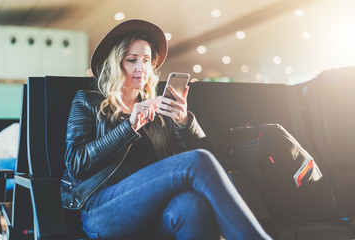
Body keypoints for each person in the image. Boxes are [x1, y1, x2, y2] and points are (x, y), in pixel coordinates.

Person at [60, 19, 272, 240]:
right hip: (102, 208)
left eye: (146, 60)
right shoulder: (87, 101)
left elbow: (203, 158)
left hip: (153, 205)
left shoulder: (157, 109)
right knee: (197, 162)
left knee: (193, 205)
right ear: (116, 63)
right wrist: (130, 125)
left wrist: (183, 121)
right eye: (132, 60)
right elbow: (76, 164)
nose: (141, 69)